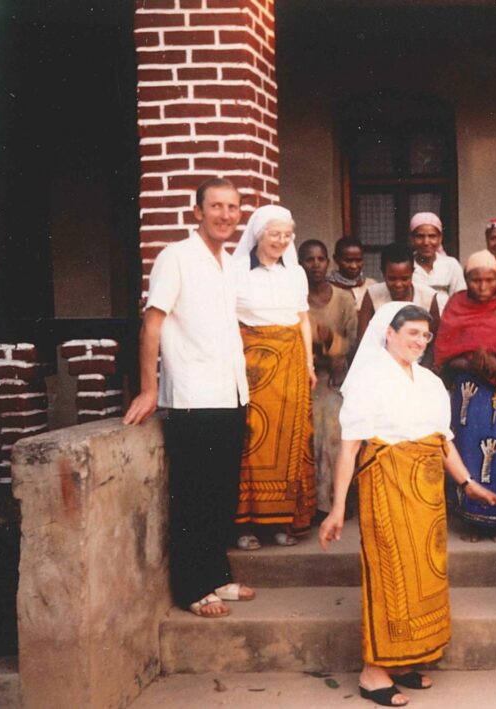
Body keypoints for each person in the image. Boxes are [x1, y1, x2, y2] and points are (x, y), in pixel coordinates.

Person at [318, 302, 496, 707]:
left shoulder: (431, 382)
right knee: (390, 576)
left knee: (424, 574)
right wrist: (336, 508)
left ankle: (405, 660)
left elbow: (442, 441)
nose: (419, 342)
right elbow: (349, 450)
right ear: (389, 333)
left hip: (428, 494)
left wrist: (468, 483)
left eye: (425, 335)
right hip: (386, 485)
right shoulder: (368, 380)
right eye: (411, 334)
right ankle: (374, 671)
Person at [124, 177, 254, 618]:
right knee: (194, 495)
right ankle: (192, 587)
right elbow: (153, 325)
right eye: (215, 206)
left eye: (233, 207)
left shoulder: (230, 262)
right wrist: (148, 389)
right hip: (193, 398)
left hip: (231, 394)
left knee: (221, 494)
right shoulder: (175, 258)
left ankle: (216, 575)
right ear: (197, 211)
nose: (225, 215)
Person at [232, 205, 317, 550]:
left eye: (286, 235)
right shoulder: (236, 270)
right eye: (274, 234)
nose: (281, 241)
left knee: (292, 440)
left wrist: (309, 363)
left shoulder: (295, 273)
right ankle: (245, 526)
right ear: (257, 234)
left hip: (292, 363)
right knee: (252, 441)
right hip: (251, 361)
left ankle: (284, 523)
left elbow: (303, 321)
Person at [434, 251, 496, 541]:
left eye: (490, 280)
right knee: (467, 453)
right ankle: (470, 521)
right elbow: (445, 353)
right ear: (466, 280)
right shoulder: (456, 305)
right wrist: (472, 363)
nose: (483, 286)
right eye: (476, 281)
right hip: (467, 394)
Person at [299, 239, 358, 520]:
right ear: (300, 265)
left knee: (334, 431)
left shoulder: (344, 299)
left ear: (328, 262)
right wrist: (324, 354)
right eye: (309, 260)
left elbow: (354, 343)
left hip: (337, 378)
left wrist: (332, 344)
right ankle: (311, 504)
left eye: (320, 259)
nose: (315, 265)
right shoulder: (295, 301)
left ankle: (334, 503)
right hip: (304, 377)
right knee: (310, 433)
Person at [357, 242, 441, 343]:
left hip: (418, 355)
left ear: (412, 272)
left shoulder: (428, 296)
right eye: (392, 279)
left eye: (405, 278)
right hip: (381, 355)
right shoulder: (372, 294)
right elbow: (363, 339)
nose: (398, 284)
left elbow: (435, 341)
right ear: (383, 273)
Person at [409, 212, 465, 301]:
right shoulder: (407, 265)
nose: (426, 242)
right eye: (420, 236)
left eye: (432, 236)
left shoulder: (451, 265)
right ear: (412, 238)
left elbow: (460, 300)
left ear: (440, 238)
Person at [329, 236, 378, 311]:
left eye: (358, 260)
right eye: (348, 261)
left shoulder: (372, 286)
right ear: (336, 259)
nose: (354, 266)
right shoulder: (327, 288)